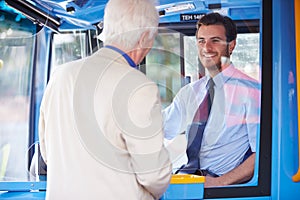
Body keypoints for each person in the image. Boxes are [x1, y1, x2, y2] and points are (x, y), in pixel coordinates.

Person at [38, 0, 172, 199]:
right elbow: (154, 176)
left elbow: (48, 153)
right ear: (144, 38)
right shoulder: (138, 87)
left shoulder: (60, 76)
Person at [163, 13, 260, 187]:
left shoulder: (252, 92)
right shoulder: (190, 92)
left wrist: (218, 183)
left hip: (224, 186)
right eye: (201, 41)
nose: (206, 48)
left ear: (231, 46)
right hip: (189, 181)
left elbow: (262, 154)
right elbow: (160, 128)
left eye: (215, 40)